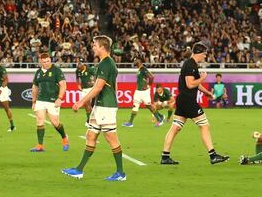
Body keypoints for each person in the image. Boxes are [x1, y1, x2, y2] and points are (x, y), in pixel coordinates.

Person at [63, 36, 126, 181]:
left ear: (102, 47)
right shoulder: (106, 63)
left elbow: (97, 87)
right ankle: (79, 170)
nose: (93, 47)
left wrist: (80, 102)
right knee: (91, 136)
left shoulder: (106, 64)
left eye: (95, 45)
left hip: (106, 106)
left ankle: (121, 173)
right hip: (101, 105)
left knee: (111, 138)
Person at [160, 43, 229, 165]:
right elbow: (190, 84)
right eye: (204, 54)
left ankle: (165, 156)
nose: (205, 56)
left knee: (175, 128)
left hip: (182, 100)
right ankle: (213, 155)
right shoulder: (190, 65)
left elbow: (195, 83)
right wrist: (203, 77)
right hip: (188, 101)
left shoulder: (191, 64)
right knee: (204, 125)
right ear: (199, 53)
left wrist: (207, 92)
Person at [29, 52, 69, 153]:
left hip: (53, 100)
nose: (47, 63)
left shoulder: (56, 70)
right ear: (40, 62)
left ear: (50, 60)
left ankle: (64, 138)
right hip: (40, 100)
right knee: (39, 121)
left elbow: (63, 85)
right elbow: (35, 87)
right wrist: (34, 101)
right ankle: (40, 146)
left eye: (48, 61)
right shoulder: (38, 72)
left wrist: (59, 98)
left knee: (55, 122)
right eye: (44, 62)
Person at [123, 60, 164, 127]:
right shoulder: (139, 70)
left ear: (140, 62)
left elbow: (151, 77)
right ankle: (130, 122)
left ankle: (159, 119)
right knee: (135, 106)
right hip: (138, 91)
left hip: (144, 92)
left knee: (149, 106)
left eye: (136, 60)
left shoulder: (143, 69)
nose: (135, 61)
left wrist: (149, 85)